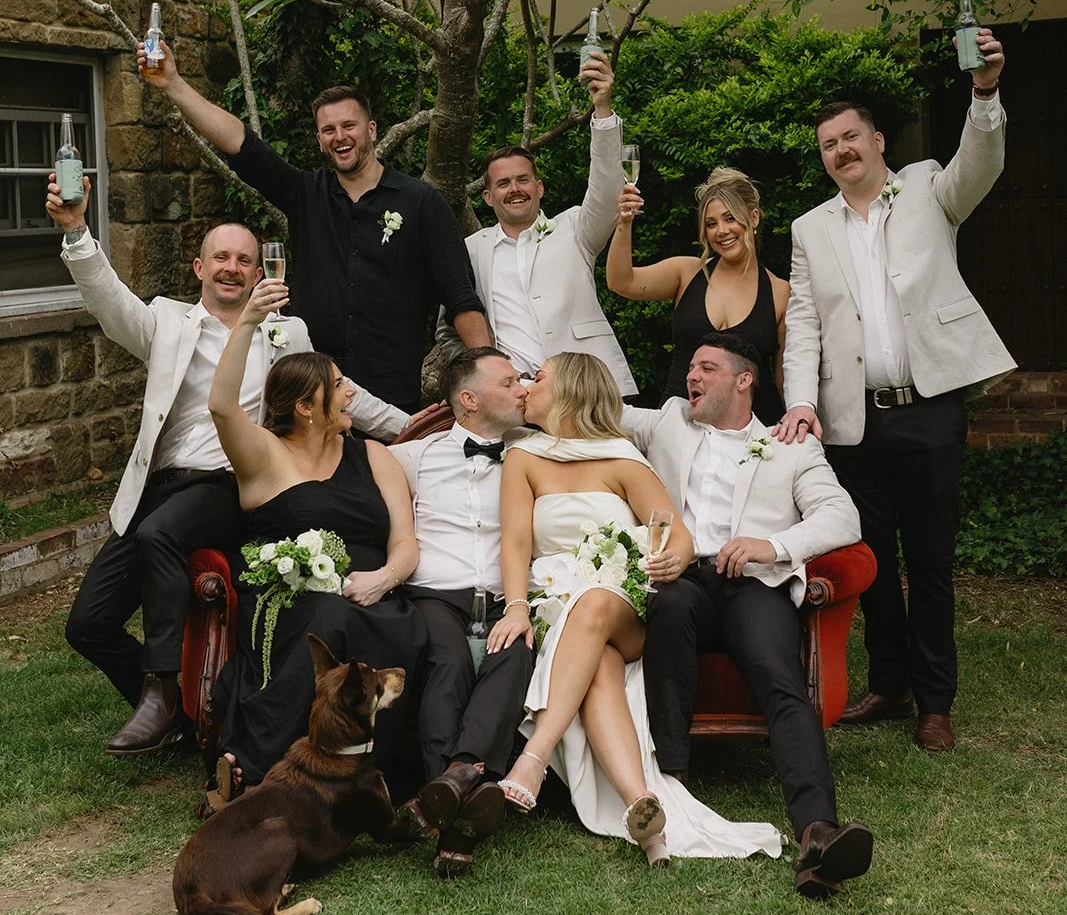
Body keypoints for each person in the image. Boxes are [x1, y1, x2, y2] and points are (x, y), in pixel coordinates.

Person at [777, 29, 1015, 753]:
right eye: (828, 145)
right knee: (872, 560)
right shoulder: (809, 229)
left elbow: (980, 162)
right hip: (855, 422)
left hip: (930, 408)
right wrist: (800, 401)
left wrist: (983, 92)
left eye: (850, 137)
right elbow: (805, 324)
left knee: (931, 562)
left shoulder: (927, 188)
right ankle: (889, 683)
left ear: (877, 141)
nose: (841, 150)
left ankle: (935, 701)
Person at [44, 175, 310, 756]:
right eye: (221, 258)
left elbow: (331, 390)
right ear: (199, 267)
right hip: (158, 487)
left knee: (160, 534)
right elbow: (111, 302)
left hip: (228, 484)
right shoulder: (167, 322)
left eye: (244, 260)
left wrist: (409, 424)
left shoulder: (283, 333)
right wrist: (77, 232)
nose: (232, 268)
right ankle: (183, 720)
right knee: (87, 625)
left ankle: (164, 691)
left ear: (258, 273)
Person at [493, 352, 783, 867]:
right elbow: (515, 542)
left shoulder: (622, 456)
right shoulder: (523, 457)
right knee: (599, 662)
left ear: (571, 392)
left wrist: (673, 557)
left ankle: (534, 756)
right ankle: (642, 809)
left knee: (596, 604)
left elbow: (675, 532)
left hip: (622, 605)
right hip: (555, 602)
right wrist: (516, 608)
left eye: (539, 378)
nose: (527, 386)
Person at [622, 333, 872, 899]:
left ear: (744, 380)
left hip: (754, 584)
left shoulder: (789, 447)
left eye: (707, 368)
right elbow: (595, 407)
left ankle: (817, 834)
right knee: (671, 606)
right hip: (684, 578)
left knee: (781, 679)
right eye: (691, 367)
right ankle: (673, 790)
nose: (692, 376)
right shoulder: (668, 422)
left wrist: (773, 546)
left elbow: (843, 517)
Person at [137, 40, 489, 412]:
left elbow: (460, 298)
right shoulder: (305, 195)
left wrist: (490, 377)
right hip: (308, 391)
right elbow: (242, 145)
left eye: (349, 125)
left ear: (371, 130)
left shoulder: (421, 203)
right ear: (320, 140)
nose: (340, 136)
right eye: (328, 129)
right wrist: (174, 84)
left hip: (391, 394)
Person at [205, 278, 427, 801]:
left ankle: (367, 777)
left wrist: (383, 579)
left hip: (373, 593)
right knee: (327, 620)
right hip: (287, 597)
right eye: (340, 385)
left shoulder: (374, 455)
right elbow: (221, 406)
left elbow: (405, 542)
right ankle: (257, 770)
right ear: (306, 407)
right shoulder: (265, 455)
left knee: (405, 629)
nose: (352, 393)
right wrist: (248, 321)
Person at [390, 347, 534, 878]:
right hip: (435, 593)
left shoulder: (536, 453)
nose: (523, 389)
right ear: (469, 400)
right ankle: (463, 795)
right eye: (508, 382)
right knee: (447, 660)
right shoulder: (413, 458)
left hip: (505, 596)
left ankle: (452, 784)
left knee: (515, 654)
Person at [438, 51, 636, 397]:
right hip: (517, 398)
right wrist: (485, 373)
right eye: (503, 184)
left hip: (588, 389)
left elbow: (607, 189)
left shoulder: (574, 229)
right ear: (488, 197)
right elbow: (449, 329)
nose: (515, 189)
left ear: (539, 188)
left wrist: (602, 109)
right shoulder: (469, 250)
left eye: (523, 180)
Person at [608, 165, 788, 419]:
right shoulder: (688, 272)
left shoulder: (780, 292)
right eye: (711, 224)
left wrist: (795, 422)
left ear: (754, 217)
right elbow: (621, 282)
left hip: (752, 428)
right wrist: (625, 221)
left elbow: (785, 377)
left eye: (730, 218)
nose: (721, 231)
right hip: (679, 422)